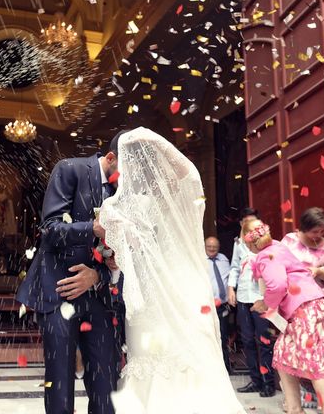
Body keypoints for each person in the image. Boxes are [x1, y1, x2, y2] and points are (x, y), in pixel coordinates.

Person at [99, 127, 245, 413]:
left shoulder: (118, 207)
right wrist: (154, 140)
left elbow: (116, 251)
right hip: (170, 290)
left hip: (161, 291)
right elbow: (190, 173)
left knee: (174, 356)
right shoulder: (178, 197)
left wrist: (149, 140)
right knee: (171, 356)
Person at [16, 130, 128, 414]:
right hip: (59, 292)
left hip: (101, 299)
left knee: (106, 384)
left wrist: (98, 274)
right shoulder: (70, 169)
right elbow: (50, 230)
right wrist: (92, 228)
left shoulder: (124, 193)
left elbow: (124, 254)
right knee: (60, 382)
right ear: (111, 158)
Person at [244, 219, 324, 414]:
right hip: (310, 307)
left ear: (248, 242)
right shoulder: (277, 246)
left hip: (306, 309)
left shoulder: (265, 255)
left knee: (316, 366)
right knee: (282, 353)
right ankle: (295, 409)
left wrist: (265, 303)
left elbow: (277, 285)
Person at [227, 207, 276, 397]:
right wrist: (231, 288)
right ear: (241, 224)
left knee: (264, 339)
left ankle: (269, 383)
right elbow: (234, 267)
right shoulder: (238, 243)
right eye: (246, 222)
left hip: (260, 298)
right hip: (243, 297)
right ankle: (255, 380)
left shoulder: (266, 244)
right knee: (247, 340)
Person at [281, 207, 324, 288]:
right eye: (315, 232)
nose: (319, 235)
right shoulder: (290, 239)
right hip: (291, 290)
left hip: (316, 294)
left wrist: (319, 272)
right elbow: (276, 263)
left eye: (322, 231)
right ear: (305, 228)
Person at [205, 236, 232, 373]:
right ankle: (211, 368)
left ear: (218, 247)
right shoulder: (199, 260)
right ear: (204, 247)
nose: (211, 249)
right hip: (206, 305)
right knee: (208, 336)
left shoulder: (224, 259)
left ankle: (225, 367)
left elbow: (230, 277)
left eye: (214, 246)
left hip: (222, 305)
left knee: (223, 335)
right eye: (209, 246)